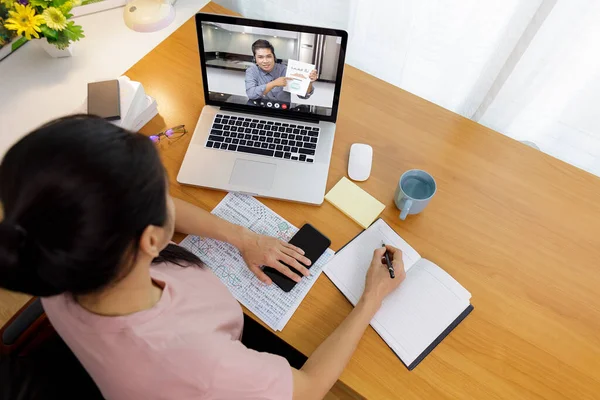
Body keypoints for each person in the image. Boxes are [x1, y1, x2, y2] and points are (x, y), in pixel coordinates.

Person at [0, 115, 406, 400]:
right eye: (161, 193)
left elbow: (154, 212)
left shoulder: (49, 253)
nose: (169, 198)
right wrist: (372, 297)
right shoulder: (203, 370)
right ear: (150, 240)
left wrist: (242, 236)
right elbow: (310, 389)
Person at [245, 39, 318, 103]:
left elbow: (304, 96)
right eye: (260, 57)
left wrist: (309, 83)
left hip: (283, 112)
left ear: (274, 57)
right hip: (260, 111)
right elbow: (251, 94)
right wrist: (274, 83)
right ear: (255, 59)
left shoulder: (285, 70)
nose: (265, 61)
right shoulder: (251, 71)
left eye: (269, 56)